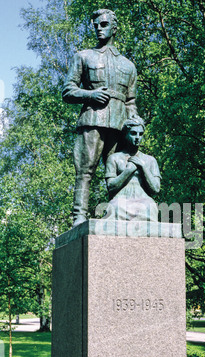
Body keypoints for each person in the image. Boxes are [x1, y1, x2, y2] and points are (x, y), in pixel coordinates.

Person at [62, 9, 139, 226]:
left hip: (119, 125)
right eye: (96, 24)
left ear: (114, 28)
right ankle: (79, 217)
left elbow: (131, 102)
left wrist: (135, 121)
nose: (98, 28)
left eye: (103, 24)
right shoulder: (83, 56)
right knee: (85, 171)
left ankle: (119, 216)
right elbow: (68, 91)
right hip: (92, 120)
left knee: (118, 171)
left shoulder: (128, 65)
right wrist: (90, 94)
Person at [102, 117, 161, 222]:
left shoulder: (150, 160)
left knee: (151, 208)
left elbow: (156, 189)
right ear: (125, 135)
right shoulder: (114, 158)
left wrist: (143, 167)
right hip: (120, 200)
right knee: (114, 208)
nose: (137, 137)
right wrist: (128, 171)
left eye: (141, 134)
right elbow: (111, 186)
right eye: (133, 133)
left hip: (144, 201)